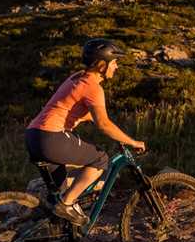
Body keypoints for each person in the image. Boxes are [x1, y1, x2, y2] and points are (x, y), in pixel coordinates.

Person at [25, 39, 146, 225]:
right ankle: (68, 204)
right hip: (51, 138)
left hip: (34, 135)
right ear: (101, 65)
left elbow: (79, 112)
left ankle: (49, 234)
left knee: (56, 196)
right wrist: (133, 142)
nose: (117, 67)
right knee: (100, 159)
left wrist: (111, 128)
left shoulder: (77, 77)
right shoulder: (93, 87)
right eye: (114, 63)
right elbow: (103, 125)